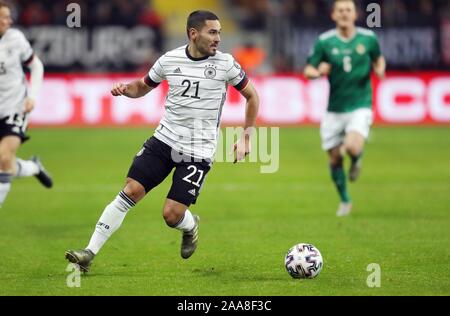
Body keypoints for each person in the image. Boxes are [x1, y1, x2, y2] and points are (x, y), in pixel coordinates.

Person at [65, 10, 259, 272]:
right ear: (194, 33)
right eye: (212, 32)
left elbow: (252, 96)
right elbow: (143, 86)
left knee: (171, 215)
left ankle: (190, 225)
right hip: (163, 140)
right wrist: (126, 89)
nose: (218, 38)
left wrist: (246, 137)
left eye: (220, 33)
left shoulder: (225, 64)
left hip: (198, 151)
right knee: (131, 191)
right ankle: (89, 252)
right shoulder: (170, 60)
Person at [304, 0, 385, 217]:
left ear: (355, 14)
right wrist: (319, 71)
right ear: (333, 15)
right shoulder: (325, 41)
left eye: (348, 10)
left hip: (360, 105)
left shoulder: (368, 38)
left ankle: (357, 158)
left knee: (351, 146)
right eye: (340, 10)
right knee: (334, 159)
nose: (344, 14)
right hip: (334, 109)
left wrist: (380, 70)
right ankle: (345, 200)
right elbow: (309, 70)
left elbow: (379, 59)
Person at [0, 1, 52, 208]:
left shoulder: (15, 39)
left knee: (3, 157)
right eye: (3, 17)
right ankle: (32, 167)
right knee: (7, 163)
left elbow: (36, 65)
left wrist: (33, 96)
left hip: (15, 107)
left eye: (9, 17)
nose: (9, 21)